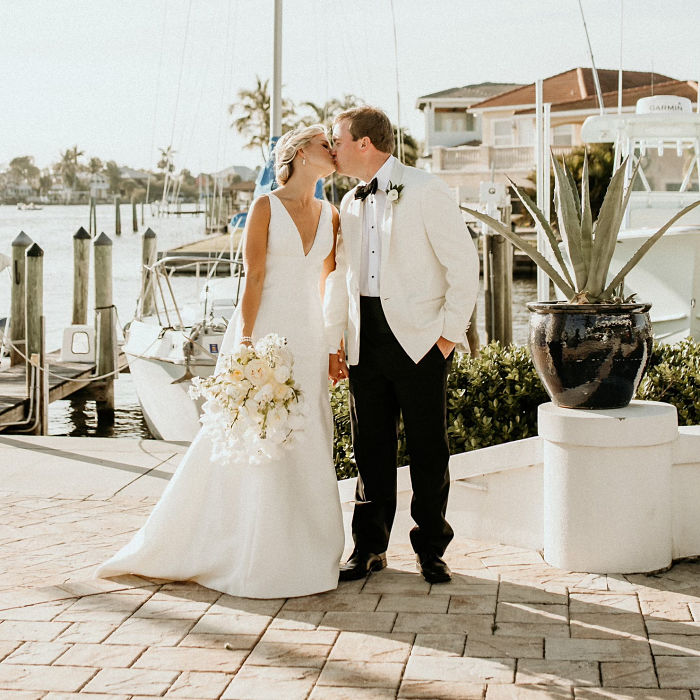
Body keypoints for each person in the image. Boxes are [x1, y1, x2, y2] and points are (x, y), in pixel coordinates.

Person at [97, 125, 345, 599]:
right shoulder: (265, 206)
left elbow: (329, 286)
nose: (332, 150)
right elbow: (253, 280)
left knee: (308, 433)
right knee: (256, 436)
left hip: (311, 338)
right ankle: (244, 546)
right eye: (323, 144)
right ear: (297, 155)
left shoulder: (332, 213)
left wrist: (334, 345)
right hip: (264, 332)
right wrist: (246, 346)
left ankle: (308, 549)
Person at [325, 106, 480, 584]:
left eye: (338, 141)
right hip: (364, 336)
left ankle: (431, 548)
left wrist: (448, 337)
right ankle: (369, 548)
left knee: (429, 449)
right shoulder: (349, 202)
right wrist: (337, 340)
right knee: (369, 447)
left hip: (420, 339)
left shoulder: (426, 189)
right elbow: (344, 277)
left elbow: (464, 265)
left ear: (364, 144)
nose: (333, 150)